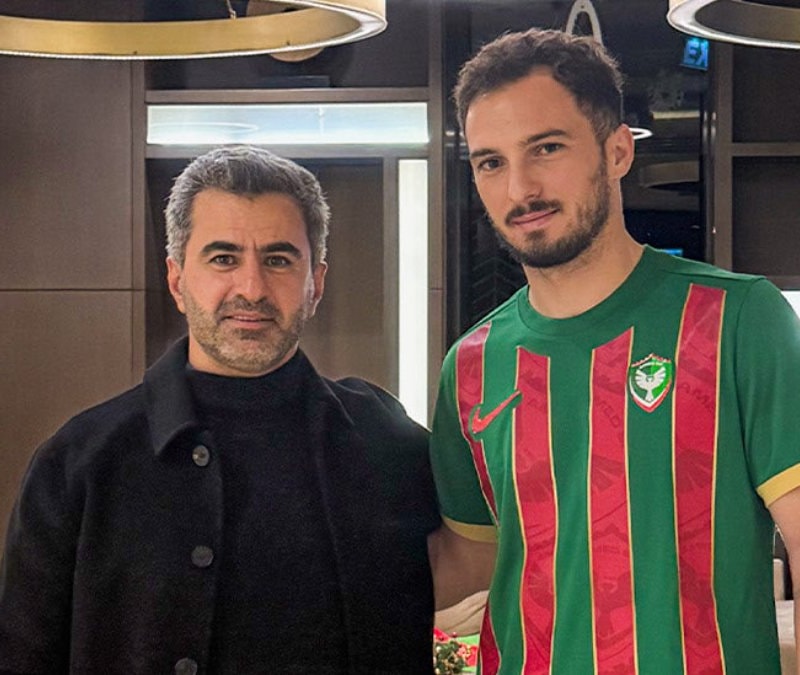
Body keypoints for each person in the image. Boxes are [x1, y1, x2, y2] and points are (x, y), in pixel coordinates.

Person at [427, 28, 800, 674]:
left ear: (618, 151)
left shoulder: (739, 319)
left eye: (546, 148)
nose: (520, 189)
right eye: (491, 162)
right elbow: (467, 559)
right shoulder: (470, 365)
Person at [0, 145, 440, 674]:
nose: (251, 289)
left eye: (278, 259)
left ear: (316, 283)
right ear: (177, 280)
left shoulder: (383, 442)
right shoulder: (81, 462)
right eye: (223, 258)